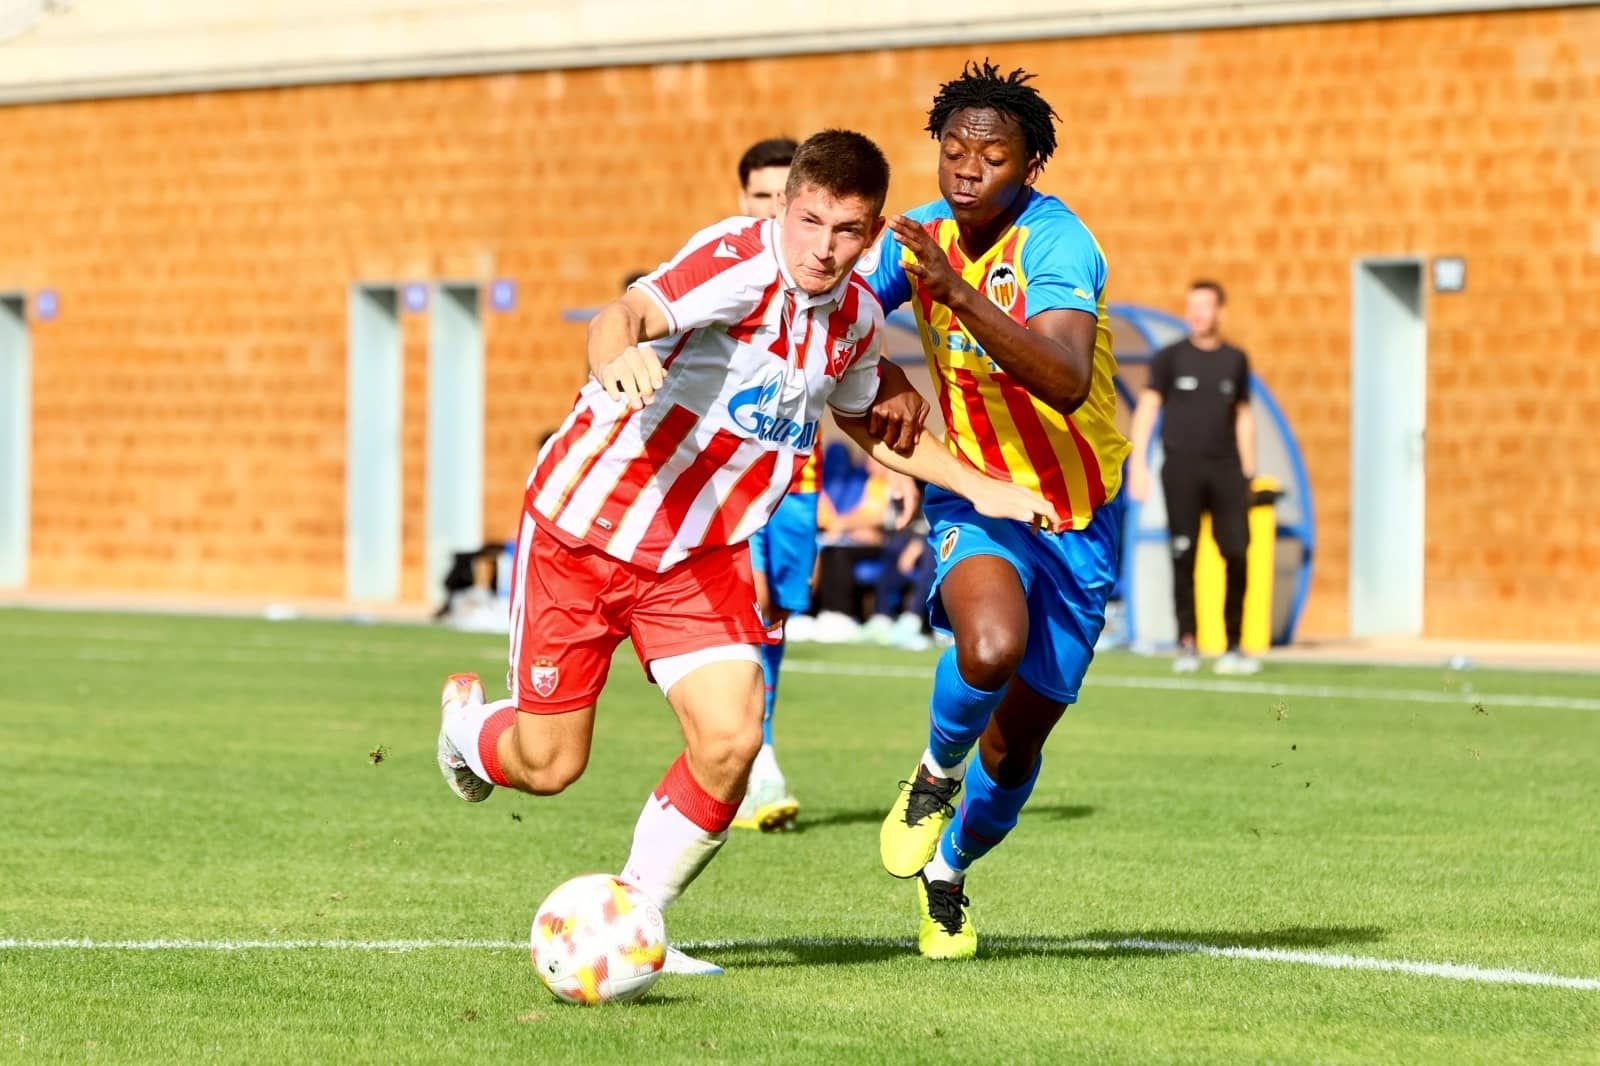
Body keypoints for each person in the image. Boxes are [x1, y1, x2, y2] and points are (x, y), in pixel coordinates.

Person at [435, 128, 1058, 976]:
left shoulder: (855, 320)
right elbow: (626, 313)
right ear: (787, 206)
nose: (824, 248)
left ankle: (635, 919)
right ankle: (471, 730)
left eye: (847, 233)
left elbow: (869, 417)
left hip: (698, 556)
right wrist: (615, 358)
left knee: (731, 741)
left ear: (871, 233)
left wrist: (984, 487)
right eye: (809, 222)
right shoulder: (735, 261)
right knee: (549, 767)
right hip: (584, 535)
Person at [862, 61, 1130, 960]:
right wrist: (882, 368)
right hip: (978, 497)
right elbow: (836, 316)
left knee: (1017, 751)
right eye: (953, 150)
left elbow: (1064, 378)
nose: (968, 168)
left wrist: (956, 293)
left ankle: (951, 871)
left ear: (1029, 167)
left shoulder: (1057, 244)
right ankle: (934, 775)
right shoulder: (918, 237)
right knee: (989, 647)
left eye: (992, 154)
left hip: (1075, 515)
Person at [730, 137, 812, 831]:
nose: (775, 208)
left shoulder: (823, 288)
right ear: (744, 201)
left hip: (800, 493)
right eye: (764, 195)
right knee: (746, 620)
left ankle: (752, 753)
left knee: (775, 625)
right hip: (734, 491)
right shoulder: (730, 283)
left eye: (788, 196)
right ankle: (754, 762)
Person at [1128, 280, 1259, 675]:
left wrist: (1250, 471)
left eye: (1205, 306)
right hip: (1181, 470)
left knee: (1236, 552)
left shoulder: (1235, 360)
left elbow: (1244, 415)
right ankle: (1188, 642)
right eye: (1192, 306)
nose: (1198, 313)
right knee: (1183, 554)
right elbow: (1148, 409)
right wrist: (1138, 466)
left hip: (1227, 471)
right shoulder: (1169, 358)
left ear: (1220, 311)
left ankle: (1234, 646)